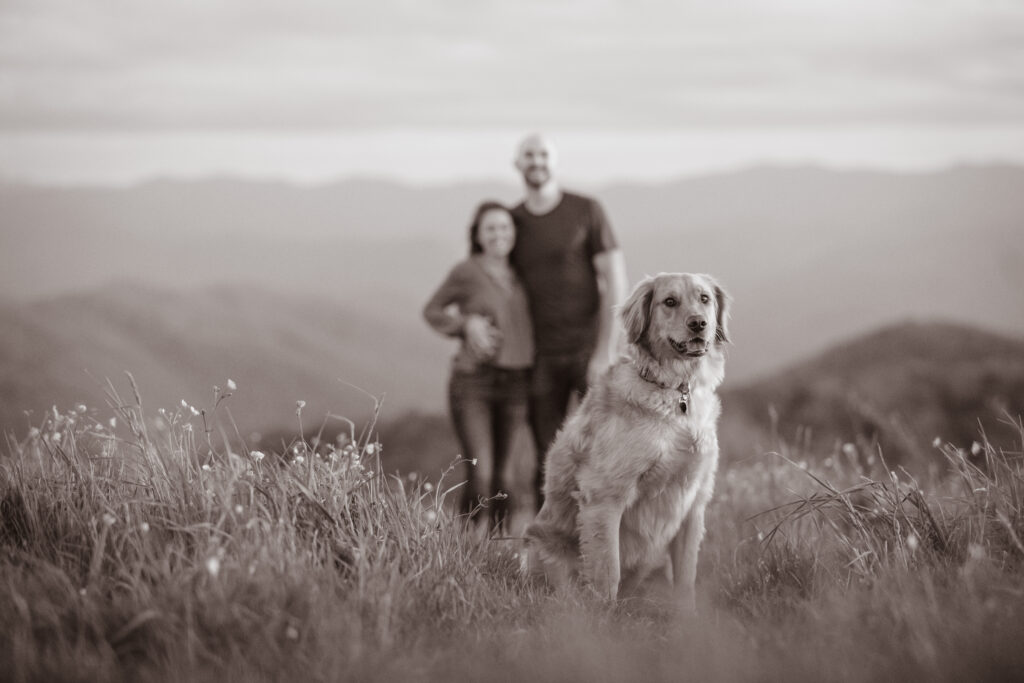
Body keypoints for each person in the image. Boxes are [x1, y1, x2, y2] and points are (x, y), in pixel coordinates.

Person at [509, 133, 629, 508]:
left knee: (607, 450)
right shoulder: (512, 222)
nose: (536, 161)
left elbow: (616, 281)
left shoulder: (586, 210)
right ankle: (550, 550)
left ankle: (612, 542)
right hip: (539, 357)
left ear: (555, 161)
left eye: (543, 154)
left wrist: (605, 350)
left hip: (588, 349)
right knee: (549, 458)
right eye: (528, 155)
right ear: (518, 164)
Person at [423, 201, 534, 530]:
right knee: (481, 471)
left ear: (514, 233)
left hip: (516, 382)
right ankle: (466, 548)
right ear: (478, 235)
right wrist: (465, 324)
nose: (498, 234)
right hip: (473, 382)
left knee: (505, 475)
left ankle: (499, 552)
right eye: (490, 228)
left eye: (504, 228)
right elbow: (432, 311)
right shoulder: (466, 271)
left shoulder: (524, 273)